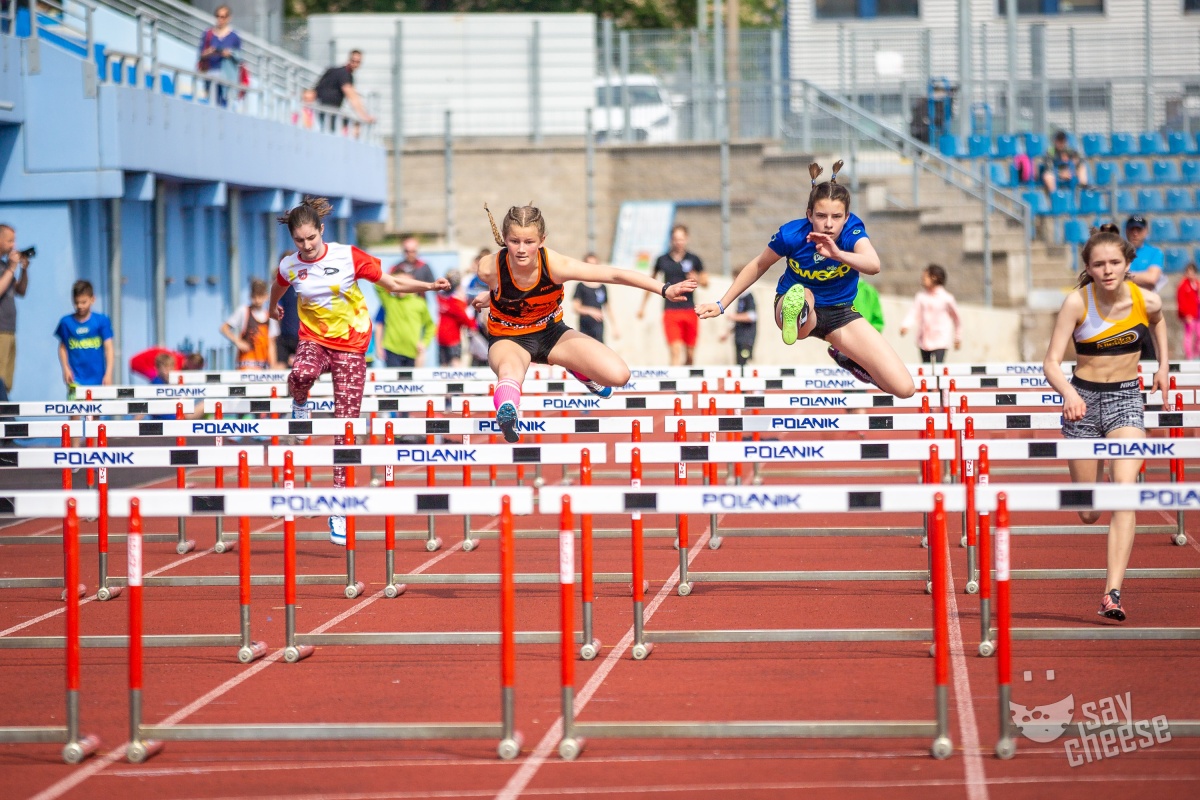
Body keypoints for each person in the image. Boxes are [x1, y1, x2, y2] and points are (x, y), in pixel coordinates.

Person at [269, 197, 449, 545]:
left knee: (345, 428)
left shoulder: (347, 256)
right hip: (314, 340)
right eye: (299, 241)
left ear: (321, 230)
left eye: (311, 239)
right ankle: (300, 403)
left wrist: (429, 287)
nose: (306, 246)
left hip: (352, 346)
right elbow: (279, 285)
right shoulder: (291, 265)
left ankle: (340, 507)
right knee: (301, 372)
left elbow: (393, 284)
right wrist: (274, 304)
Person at [474, 203, 696, 443]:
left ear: (542, 240)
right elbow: (503, 286)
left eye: (529, 242)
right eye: (514, 241)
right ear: (504, 239)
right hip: (509, 338)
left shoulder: (556, 265)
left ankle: (578, 368)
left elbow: (614, 275)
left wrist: (665, 289)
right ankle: (508, 412)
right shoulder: (489, 268)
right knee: (510, 371)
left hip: (550, 334)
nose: (521, 250)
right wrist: (493, 295)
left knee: (618, 376)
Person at [696, 160, 916, 398]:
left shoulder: (852, 231)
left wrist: (838, 254)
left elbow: (874, 265)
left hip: (840, 313)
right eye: (821, 216)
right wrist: (722, 304)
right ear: (809, 214)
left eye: (836, 216)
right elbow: (759, 265)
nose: (829, 224)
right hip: (796, 309)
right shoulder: (792, 235)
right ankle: (797, 311)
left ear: (846, 217)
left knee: (904, 388)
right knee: (804, 293)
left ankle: (849, 360)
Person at [1042, 223, 1168, 623]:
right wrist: (1070, 394)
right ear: (1089, 267)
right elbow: (1050, 362)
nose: (1108, 270)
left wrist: (1163, 366)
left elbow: (1160, 321)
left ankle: (1112, 593)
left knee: (1123, 495)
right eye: (1099, 264)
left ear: (1127, 263)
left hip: (1126, 401)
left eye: (1115, 262)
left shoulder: (1145, 300)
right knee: (1087, 511)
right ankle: (1116, 479)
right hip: (1083, 402)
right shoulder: (1077, 304)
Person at [638, 225, 708, 365]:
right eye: (676, 239)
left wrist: (697, 279)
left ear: (687, 239)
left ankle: (687, 384)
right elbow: (651, 282)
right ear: (671, 240)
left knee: (690, 353)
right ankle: (676, 386)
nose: (679, 242)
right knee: (675, 350)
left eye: (681, 239)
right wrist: (642, 307)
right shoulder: (662, 259)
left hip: (690, 309)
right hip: (670, 310)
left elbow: (706, 282)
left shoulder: (694, 259)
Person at [54, 280, 113, 397]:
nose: (80, 306)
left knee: (95, 413)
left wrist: (108, 373)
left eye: (83, 302)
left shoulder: (101, 321)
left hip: (97, 377)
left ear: (92, 299)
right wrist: (65, 368)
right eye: (76, 302)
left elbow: (109, 348)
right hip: (76, 377)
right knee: (74, 412)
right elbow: (62, 347)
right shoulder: (66, 322)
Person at [899, 264, 962, 365]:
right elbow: (914, 312)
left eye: (925, 277)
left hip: (940, 339)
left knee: (938, 367)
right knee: (926, 368)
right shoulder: (921, 297)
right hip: (924, 339)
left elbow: (957, 319)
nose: (922, 280)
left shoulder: (946, 298)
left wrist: (957, 338)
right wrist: (906, 325)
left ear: (934, 277)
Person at [220, 278, 280, 371]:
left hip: (263, 365)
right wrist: (238, 342)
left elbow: (271, 343)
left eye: (260, 296)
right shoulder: (243, 311)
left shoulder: (270, 316)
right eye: (254, 296)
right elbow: (224, 328)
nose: (257, 300)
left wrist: (273, 366)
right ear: (250, 296)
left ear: (266, 296)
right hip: (246, 365)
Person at [0, 224, 30, 398]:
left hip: (10, 330)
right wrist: (12, 268)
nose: (14, 245)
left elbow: (21, 291)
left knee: (7, 382)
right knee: (0, 381)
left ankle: (4, 415)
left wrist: (24, 270)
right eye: (10, 241)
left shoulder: (5, 266)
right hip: (0, 331)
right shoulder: (6, 268)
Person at [314, 49, 375, 124]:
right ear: (349, 60)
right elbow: (352, 96)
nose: (355, 64)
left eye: (358, 62)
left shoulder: (336, 71)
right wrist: (364, 116)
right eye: (353, 61)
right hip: (326, 109)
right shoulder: (345, 74)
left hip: (323, 108)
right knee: (353, 126)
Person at [198, 5, 241, 108]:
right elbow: (201, 54)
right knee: (213, 105)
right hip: (211, 72)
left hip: (227, 74)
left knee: (226, 105)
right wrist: (211, 51)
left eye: (223, 16)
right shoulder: (208, 34)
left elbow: (239, 57)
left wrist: (229, 53)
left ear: (229, 18)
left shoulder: (234, 36)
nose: (220, 19)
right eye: (218, 16)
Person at [571, 254, 618, 344]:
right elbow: (576, 307)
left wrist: (614, 327)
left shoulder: (602, 287)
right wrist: (590, 311)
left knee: (600, 349)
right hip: (584, 326)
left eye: (594, 264)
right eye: (589, 264)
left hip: (598, 326)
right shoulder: (581, 286)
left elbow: (608, 308)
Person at [436, 271, 473, 367]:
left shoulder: (440, 298)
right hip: (453, 337)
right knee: (455, 361)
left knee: (443, 363)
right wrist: (474, 326)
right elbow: (464, 317)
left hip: (441, 335)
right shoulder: (456, 301)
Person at [719, 292, 757, 366]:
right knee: (739, 363)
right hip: (739, 339)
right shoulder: (740, 298)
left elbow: (752, 316)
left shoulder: (748, 297)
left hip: (746, 339)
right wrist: (727, 333)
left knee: (744, 361)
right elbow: (737, 323)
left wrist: (734, 317)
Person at [1177, 262, 1200, 360]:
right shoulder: (1183, 285)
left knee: (1199, 334)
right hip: (1189, 314)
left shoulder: (1197, 284)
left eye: (1192, 271)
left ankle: (1197, 354)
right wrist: (1186, 314)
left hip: (1198, 314)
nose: (1190, 274)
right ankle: (1189, 355)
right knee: (1189, 335)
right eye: (1188, 271)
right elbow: (1181, 301)